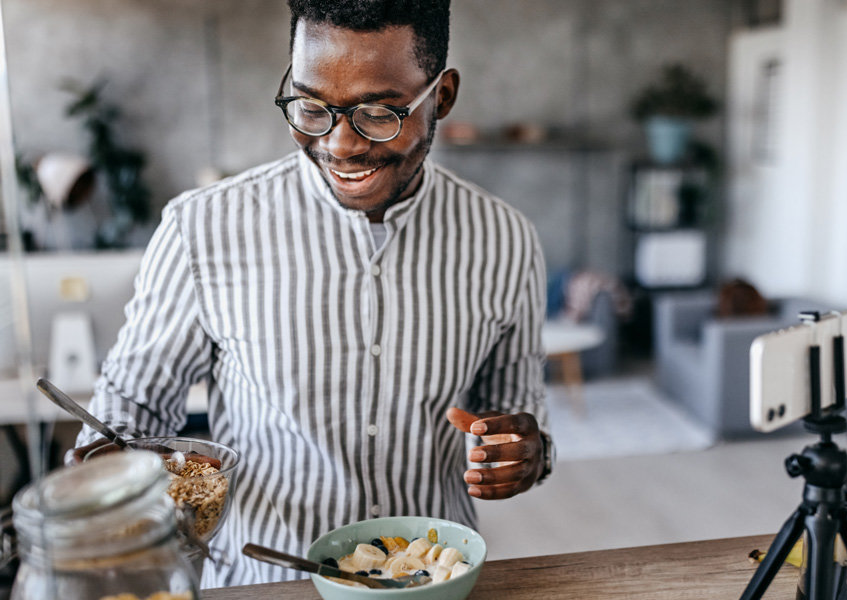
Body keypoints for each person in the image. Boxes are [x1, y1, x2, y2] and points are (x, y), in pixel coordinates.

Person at [70, 0, 554, 588]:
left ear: (442, 97)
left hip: (428, 583)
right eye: (311, 106)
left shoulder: (506, 239)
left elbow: (514, 407)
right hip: (264, 579)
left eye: (379, 112)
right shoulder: (202, 230)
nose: (341, 145)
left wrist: (525, 451)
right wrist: (109, 461)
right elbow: (132, 407)